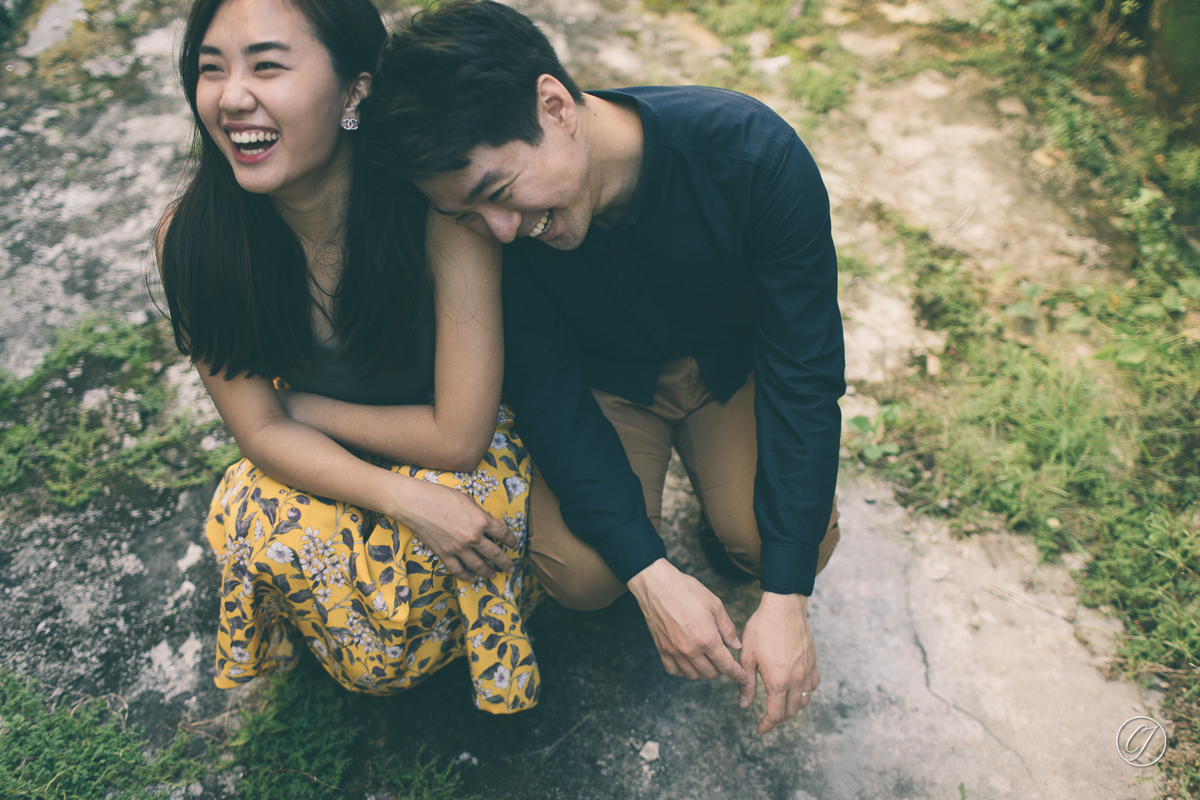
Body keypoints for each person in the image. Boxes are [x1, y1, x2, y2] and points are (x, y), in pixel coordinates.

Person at [364, 0, 845, 734]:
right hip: (610, 388)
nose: (498, 230)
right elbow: (550, 399)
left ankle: (735, 531)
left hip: (731, 372)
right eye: (469, 214)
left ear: (554, 105)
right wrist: (651, 578)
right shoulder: (501, 234)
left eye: (498, 192)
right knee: (586, 575)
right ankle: (662, 543)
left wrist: (786, 600)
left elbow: (805, 376)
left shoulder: (753, 159)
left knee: (778, 542)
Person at [155, 0, 540, 713]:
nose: (233, 97)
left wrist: (299, 409)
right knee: (247, 510)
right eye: (212, 71)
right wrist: (399, 496)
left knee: (477, 508)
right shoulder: (194, 237)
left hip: (455, 446)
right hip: (337, 457)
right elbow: (259, 435)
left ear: (355, 92)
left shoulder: (433, 208)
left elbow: (458, 436)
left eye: (267, 66)